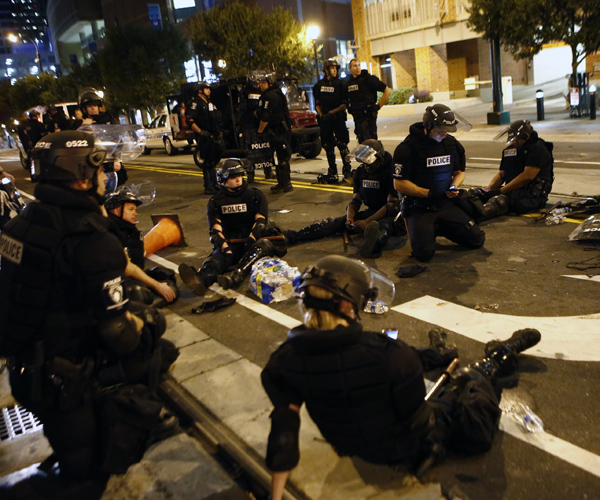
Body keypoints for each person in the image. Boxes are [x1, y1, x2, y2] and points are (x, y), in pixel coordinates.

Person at [261, 255, 541, 500]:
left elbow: (283, 436)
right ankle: (500, 355)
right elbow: (420, 422)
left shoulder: (284, 361)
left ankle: (440, 353)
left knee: (398, 354)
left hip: (361, 449)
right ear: (348, 306)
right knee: (470, 386)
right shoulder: (388, 354)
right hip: (406, 445)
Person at [0, 131, 174, 497]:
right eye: (99, 170)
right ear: (81, 178)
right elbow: (121, 336)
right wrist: (147, 321)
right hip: (63, 381)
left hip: (24, 368)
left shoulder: (23, 221)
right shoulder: (91, 238)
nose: (105, 177)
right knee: (86, 476)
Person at [393, 103, 485, 262]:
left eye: (448, 131)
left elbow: (459, 173)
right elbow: (399, 184)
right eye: (441, 130)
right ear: (428, 126)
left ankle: (437, 227)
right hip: (419, 206)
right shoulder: (407, 148)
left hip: (445, 202)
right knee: (423, 255)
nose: (445, 134)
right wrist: (428, 193)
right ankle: (426, 229)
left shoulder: (451, 144)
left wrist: (454, 186)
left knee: (476, 240)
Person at [285, 140, 401, 258]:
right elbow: (356, 200)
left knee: (383, 227)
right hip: (372, 212)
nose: (366, 167)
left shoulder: (391, 173)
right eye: (364, 163)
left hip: (390, 216)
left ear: (379, 159)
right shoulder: (361, 172)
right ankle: (294, 236)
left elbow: (391, 205)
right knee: (335, 223)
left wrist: (367, 222)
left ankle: (373, 246)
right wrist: (349, 218)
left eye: (369, 163)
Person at [178, 159, 278, 295]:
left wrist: (252, 238)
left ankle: (235, 277)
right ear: (223, 180)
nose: (237, 180)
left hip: (252, 240)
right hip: (230, 242)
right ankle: (201, 279)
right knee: (217, 259)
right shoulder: (215, 202)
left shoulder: (255, 196)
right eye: (232, 177)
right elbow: (215, 230)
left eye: (239, 176)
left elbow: (260, 223)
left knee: (262, 246)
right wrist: (225, 248)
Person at [105, 187, 178, 307]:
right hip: (115, 281)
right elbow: (127, 268)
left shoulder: (130, 230)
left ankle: (152, 298)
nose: (136, 213)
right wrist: (156, 285)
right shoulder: (110, 232)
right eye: (131, 209)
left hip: (131, 277)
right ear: (118, 210)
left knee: (165, 274)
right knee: (139, 294)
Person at [477, 120, 554, 219]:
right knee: (475, 195)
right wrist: (488, 190)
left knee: (498, 202)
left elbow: (527, 176)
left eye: (517, 139)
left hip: (531, 196)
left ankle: (477, 217)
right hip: (512, 191)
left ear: (526, 137)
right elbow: (502, 174)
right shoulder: (510, 150)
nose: (514, 141)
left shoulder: (538, 149)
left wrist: (501, 191)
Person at [313, 59, 352, 183]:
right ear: (326, 70)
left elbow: (345, 104)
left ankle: (347, 171)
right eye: (332, 68)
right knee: (327, 146)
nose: (335, 70)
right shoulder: (319, 85)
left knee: (342, 145)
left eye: (336, 68)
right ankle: (332, 171)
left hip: (337, 118)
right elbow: (317, 103)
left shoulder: (341, 84)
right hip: (325, 120)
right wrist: (321, 114)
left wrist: (331, 112)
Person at [257, 73, 294, 194]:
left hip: (279, 131)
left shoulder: (271, 96)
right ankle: (281, 183)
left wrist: (260, 131)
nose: (261, 85)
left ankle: (286, 183)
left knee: (282, 157)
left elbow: (266, 115)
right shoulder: (271, 94)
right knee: (277, 157)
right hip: (277, 131)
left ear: (270, 83)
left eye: (263, 83)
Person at [185, 81, 224, 195]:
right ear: (200, 90)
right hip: (205, 135)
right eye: (207, 89)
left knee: (214, 159)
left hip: (214, 134)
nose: (209, 91)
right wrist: (200, 132)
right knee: (207, 160)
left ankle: (215, 184)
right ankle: (208, 185)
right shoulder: (195, 103)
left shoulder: (209, 103)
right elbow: (189, 119)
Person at [346, 58, 391, 143]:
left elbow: (387, 91)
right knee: (361, 140)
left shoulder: (369, 79)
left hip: (368, 115)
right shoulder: (348, 83)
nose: (357, 68)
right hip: (357, 117)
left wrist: (378, 106)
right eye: (355, 66)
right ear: (350, 68)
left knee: (371, 141)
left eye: (359, 65)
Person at [240, 74, 274, 181]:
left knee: (266, 148)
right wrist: (255, 106)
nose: (257, 85)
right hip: (249, 125)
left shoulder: (263, 92)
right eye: (255, 83)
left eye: (258, 83)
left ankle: (268, 171)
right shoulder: (244, 92)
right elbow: (242, 107)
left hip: (261, 124)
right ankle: (251, 174)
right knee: (251, 150)